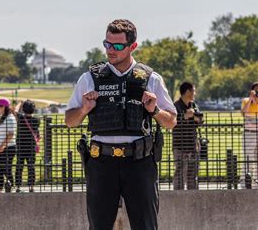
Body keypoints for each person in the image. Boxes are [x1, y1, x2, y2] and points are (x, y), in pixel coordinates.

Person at [65, 19, 177, 229]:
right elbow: (69, 121)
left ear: (132, 46)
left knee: (146, 225)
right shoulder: (89, 78)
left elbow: (172, 121)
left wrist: (154, 110)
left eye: (117, 46)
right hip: (101, 163)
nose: (110, 50)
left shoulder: (151, 78)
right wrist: (83, 110)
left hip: (139, 163)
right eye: (107, 44)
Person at [172, 81, 202, 190]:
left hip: (193, 145)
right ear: (188, 92)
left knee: (192, 175)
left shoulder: (193, 105)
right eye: (193, 90)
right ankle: (178, 197)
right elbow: (172, 122)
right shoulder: (175, 106)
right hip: (180, 146)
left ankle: (193, 197)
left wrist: (194, 117)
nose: (195, 93)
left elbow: (201, 120)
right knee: (179, 173)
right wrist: (184, 116)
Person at [15, 100, 40, 193]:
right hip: (31, 147)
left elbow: (15, 111)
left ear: (23, 109)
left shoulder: (21, 118)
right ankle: (31, 186)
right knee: (31, 167)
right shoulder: (37, 120)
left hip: (21, 147)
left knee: (19, 166)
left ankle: (18, 186)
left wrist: (19, 103)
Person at [0, 98, 17, 193]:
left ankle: (11, 185)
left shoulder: (10, 118)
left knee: (6, 168)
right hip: (2, 147)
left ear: (3, 107)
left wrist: (2, 146)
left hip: (8, 147)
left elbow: (11, 134)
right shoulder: (4, 118)